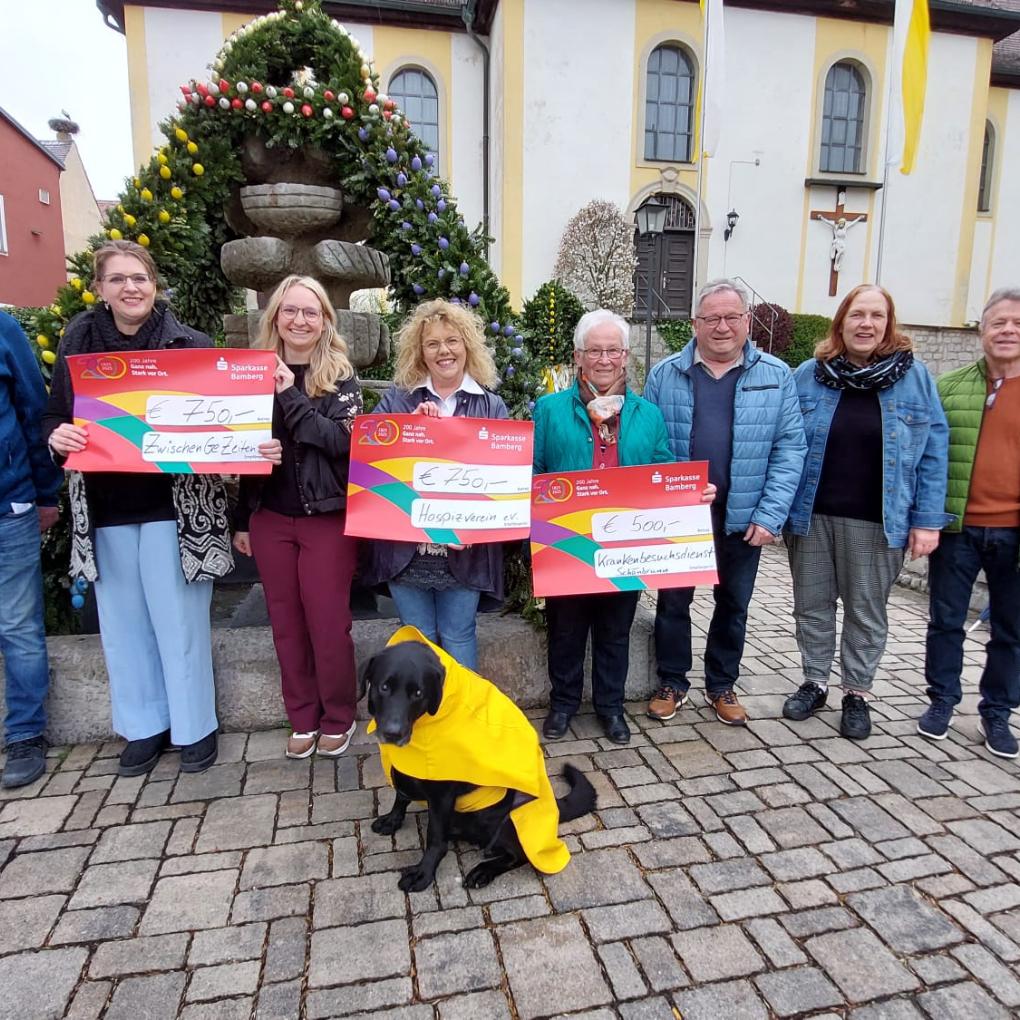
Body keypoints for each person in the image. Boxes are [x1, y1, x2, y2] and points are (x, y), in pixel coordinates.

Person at [42, 240, 281, 777]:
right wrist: (56, 436)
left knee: (181, 623)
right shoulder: (79, 339)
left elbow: (221, 418)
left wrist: (244, 448)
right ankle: (144, 727)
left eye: (140, 278)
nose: (131, 288)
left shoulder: (188, 342)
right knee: (122, 626)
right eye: (118, 279)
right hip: (104, 508)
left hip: (176, 510)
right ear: (100, 288)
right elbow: (54, 415)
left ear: (155, 286)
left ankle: (195, 727)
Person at [782, 285, 951, 740]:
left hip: (879, 521)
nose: (866, 324)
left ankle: (857, 693)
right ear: (841, 322)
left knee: (865, 611)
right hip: (811, 516)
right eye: (857, 314)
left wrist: (928, 520)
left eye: (877, 315)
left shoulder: (915, 379)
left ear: (888, 323)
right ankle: (815, 681)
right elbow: (785, 443)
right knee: (811, 606)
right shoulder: (809, 375)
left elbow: (935, 452)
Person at [644, 278, 806, 726]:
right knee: (673, 604)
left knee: (733, 604)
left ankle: (721, 685)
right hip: (681, 517)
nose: (721, 327)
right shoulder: (665, 374)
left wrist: (771, 514)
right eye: (711, 318)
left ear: (747, 322)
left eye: (731, 317)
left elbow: (791, 447)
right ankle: (672, 681)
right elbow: (648, 442)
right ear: (695, 323)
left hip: (745, 516)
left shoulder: (776, 376)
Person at [533, 309, 685, 745]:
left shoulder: (648, 415)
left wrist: (690, 493)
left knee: (616, 631)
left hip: (624, 545)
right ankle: (563, 704)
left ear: (625, 356)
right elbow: (535, 470)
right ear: (578, 357)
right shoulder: (548, 410)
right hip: (566, 541)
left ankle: (610, 707)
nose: (603, 358)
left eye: (612, 350)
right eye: (594, 350)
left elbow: (662, 470)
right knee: (565, 630)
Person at [233, 276, 362, 759]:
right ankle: (302, 716)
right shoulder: (250, 374)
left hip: (326, 519)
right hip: (271, 518)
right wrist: (243, 518)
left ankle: (338, 715)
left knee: (329, 623)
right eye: (290, 311)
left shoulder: (342, 379)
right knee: (285, 624)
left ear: (326, 320)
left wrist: (290, 395)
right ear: (275, 318)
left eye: (310, 312)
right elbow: (240, 453)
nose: (300, 320)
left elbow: (340, 443)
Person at [361, 299, 508, 669]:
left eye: (452, 341)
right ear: (420, 353)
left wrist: (483, 527)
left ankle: (459, 722)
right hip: (406, 551)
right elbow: (371, 459)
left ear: (467, 346)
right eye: (433, 344)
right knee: (417, 636)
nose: (444, 351)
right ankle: (425, 722)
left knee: (460, 635)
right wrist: (409, 428)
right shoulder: (397, 400)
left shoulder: (492, 407)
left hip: (465, 551)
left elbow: (503, 484)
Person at [919, 287, 1020, 758]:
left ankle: (997, 712)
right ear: (981, 330)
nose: (1008, 330)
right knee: (946, 621)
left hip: (1014, 532)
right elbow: (927, 458)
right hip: (958, 525)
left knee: (1011, 628)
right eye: (998, 322)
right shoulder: (951, 386)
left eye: (1016, 323)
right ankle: (942, 701)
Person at [0, 312, 64, 787]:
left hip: (8, 505)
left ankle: (24, 733)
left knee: (18, 626)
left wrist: (45, 494)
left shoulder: (3, 328)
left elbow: (32, 407)